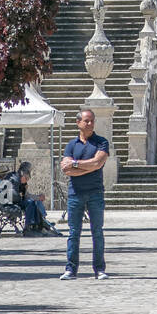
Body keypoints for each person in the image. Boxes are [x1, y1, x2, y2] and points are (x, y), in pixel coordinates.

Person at [59, 109, 109, 280]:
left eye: (92, 121)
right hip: (75, 193)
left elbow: (98, 162)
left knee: (97, 232)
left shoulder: (101, 142)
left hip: (95, 192)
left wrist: (75, 164)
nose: (90, 124)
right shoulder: (71, 145)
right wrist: (85, 167)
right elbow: (66, 170)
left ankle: (100, 269)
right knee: (73, 233)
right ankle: (71, 269)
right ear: (78, 122)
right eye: (86, 121)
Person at [6, 161, 58, 236]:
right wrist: (31, 198)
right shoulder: (15, 180)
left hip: (16, 201)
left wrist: (37, 197)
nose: (28, 178)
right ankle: (29, 227)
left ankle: (41, 223)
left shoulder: (20, 180)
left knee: (35, 201)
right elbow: (15, 196)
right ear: (22, 173)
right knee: (31, 202)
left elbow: (26, 195)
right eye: (27, 175)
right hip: (11, 203)